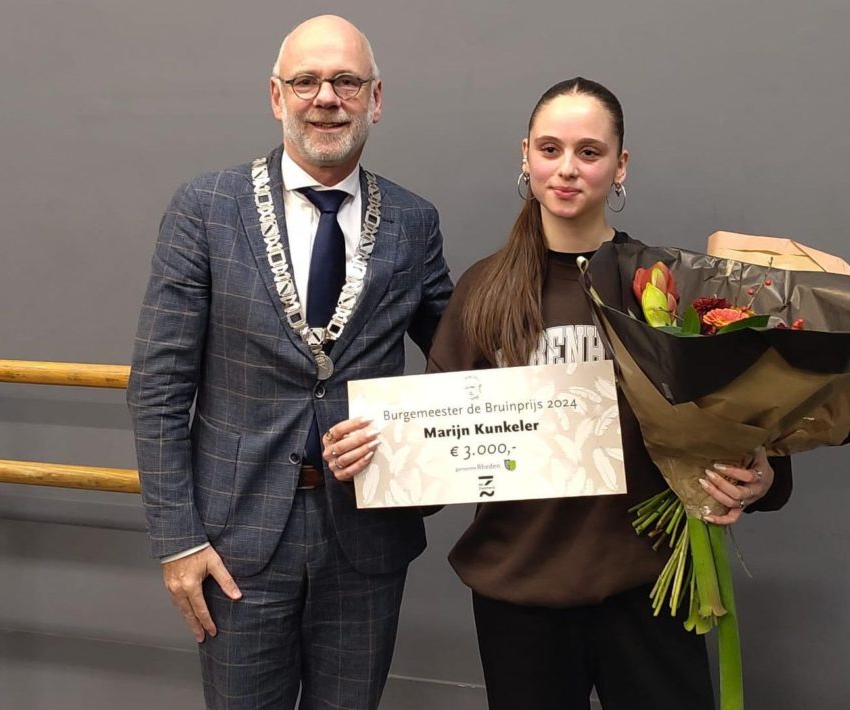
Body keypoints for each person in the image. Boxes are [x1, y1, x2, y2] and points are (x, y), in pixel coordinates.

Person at [325, 77, 792, 710]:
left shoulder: (666, 286)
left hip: (651, 587)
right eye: (550, 149)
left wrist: (763, 475)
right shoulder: (483, 292)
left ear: (620, 165)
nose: (566, 169)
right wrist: (376, 458)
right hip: (520, 596)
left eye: (589, 152)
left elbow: (743, 423)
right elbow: (437, 456)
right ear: (526, 156)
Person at [125, 15, 453, 710]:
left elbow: (464, 358)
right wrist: (178, 540)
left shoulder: (413, 222)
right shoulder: (206, 209)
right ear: (277, 97)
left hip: (367, 540)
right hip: (235, 542)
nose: (326, 97)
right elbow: (158, 385)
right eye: (306, 81)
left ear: (376, 97)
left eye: (346, 81)